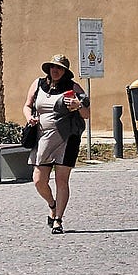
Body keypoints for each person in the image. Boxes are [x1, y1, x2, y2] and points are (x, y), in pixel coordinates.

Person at [23, 54, 90, 234]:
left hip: (67, 139)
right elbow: (27, 106)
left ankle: (58, 220)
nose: (56, 70)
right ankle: (52, 205)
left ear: (65, 71)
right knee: (38, 180)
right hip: (42, 138)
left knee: (62, 180)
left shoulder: (73, 87)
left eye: (59, 68)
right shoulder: (38, 84)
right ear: (49, 68)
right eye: (53, 67)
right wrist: (30, 118)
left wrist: (78, 105)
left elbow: (86, 114)